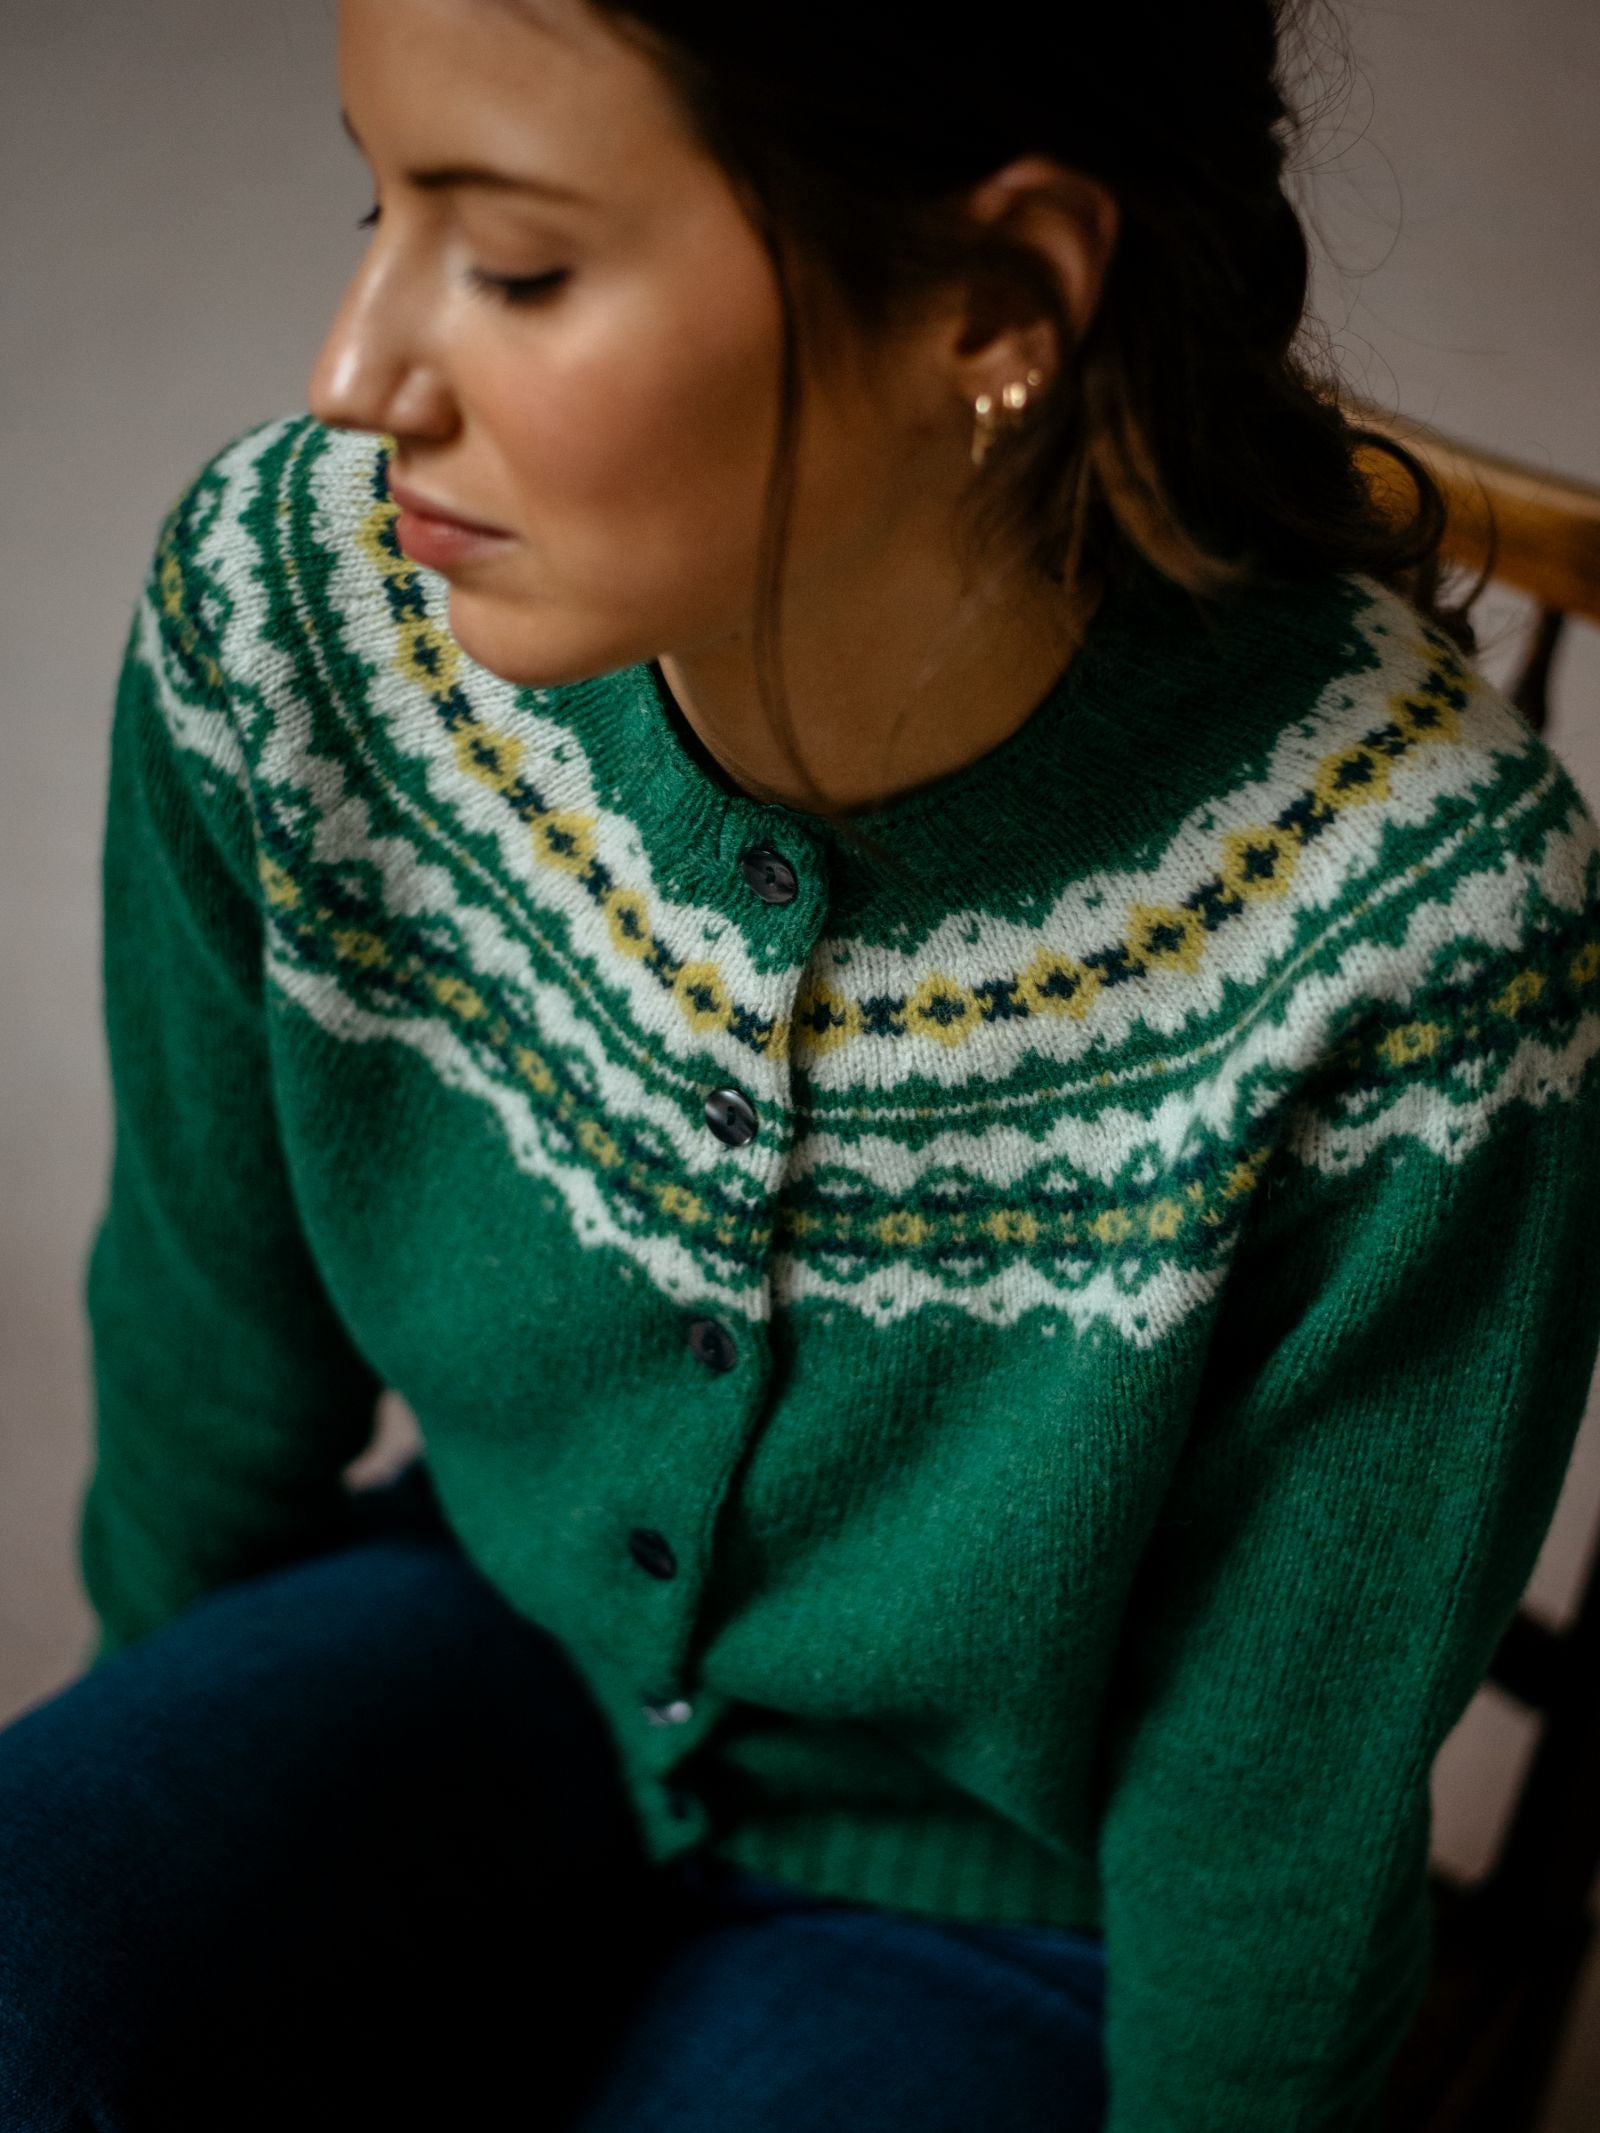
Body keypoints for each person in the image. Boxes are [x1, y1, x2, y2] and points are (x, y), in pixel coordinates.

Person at [4, 0, 1599, 2127]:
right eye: (372, 200)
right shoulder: (291, 615)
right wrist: (181, 1904)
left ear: (988, 301)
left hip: (1015, 1890)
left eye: (517, 263)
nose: (353, 373)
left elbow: (1272, 1797)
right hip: (493, 1632)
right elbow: (211, 1330)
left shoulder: (1409, 933)